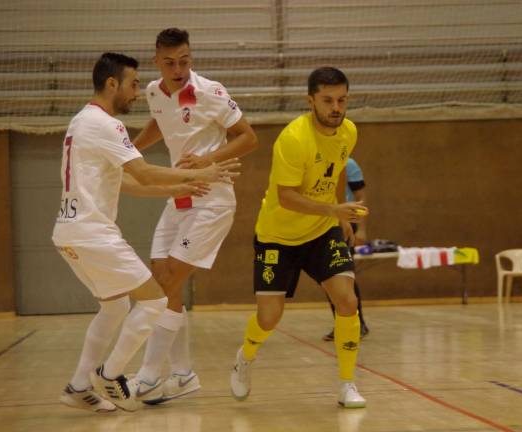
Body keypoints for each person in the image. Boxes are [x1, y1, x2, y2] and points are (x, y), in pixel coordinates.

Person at [53, 52, 239, 413]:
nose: (138, 93)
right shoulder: (107, 125)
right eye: (133, 84)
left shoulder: (80, 122)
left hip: (68, 233)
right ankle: (110, 375)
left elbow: (126, 182)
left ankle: (78, 386)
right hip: (93, 234)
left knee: (115, 306)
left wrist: (175, 189)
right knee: (154, 299)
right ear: (112, 84)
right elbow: (145, 172)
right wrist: (200, 174)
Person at [125, 27, 259, 405]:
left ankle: (149, 377)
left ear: (190, 57)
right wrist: (129, 151)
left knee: (164, 283)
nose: (178, 68)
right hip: (178, 198)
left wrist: (206, 160)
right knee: (161, 281)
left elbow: (249, 138)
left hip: (212, 200)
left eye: (184, 60)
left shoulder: (210, 92)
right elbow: (160, 121)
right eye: (170, 62)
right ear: (157, 61)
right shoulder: (154, 92)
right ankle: (183, 375)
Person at [230, 66, 368, 408]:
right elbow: (287, 197)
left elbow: (334, 172)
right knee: (269, 318)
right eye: (327, 100)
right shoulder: (293, 139)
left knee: (347, 300)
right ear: (311, 101)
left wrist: (340, 216)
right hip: (278, 237)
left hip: (321, 231)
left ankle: (347, 383)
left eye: (342, 100)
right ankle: (245, 357)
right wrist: (335, 212)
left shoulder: (348, 132)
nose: (336, 107)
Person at [322, 157, 369, 341]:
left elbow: (360, 199)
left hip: (345, 224)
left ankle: (358, 324)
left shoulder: (348, 164)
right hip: (323, 224)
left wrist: (362, 229)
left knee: (344, 276)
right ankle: (341, 323)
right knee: (329, 279)